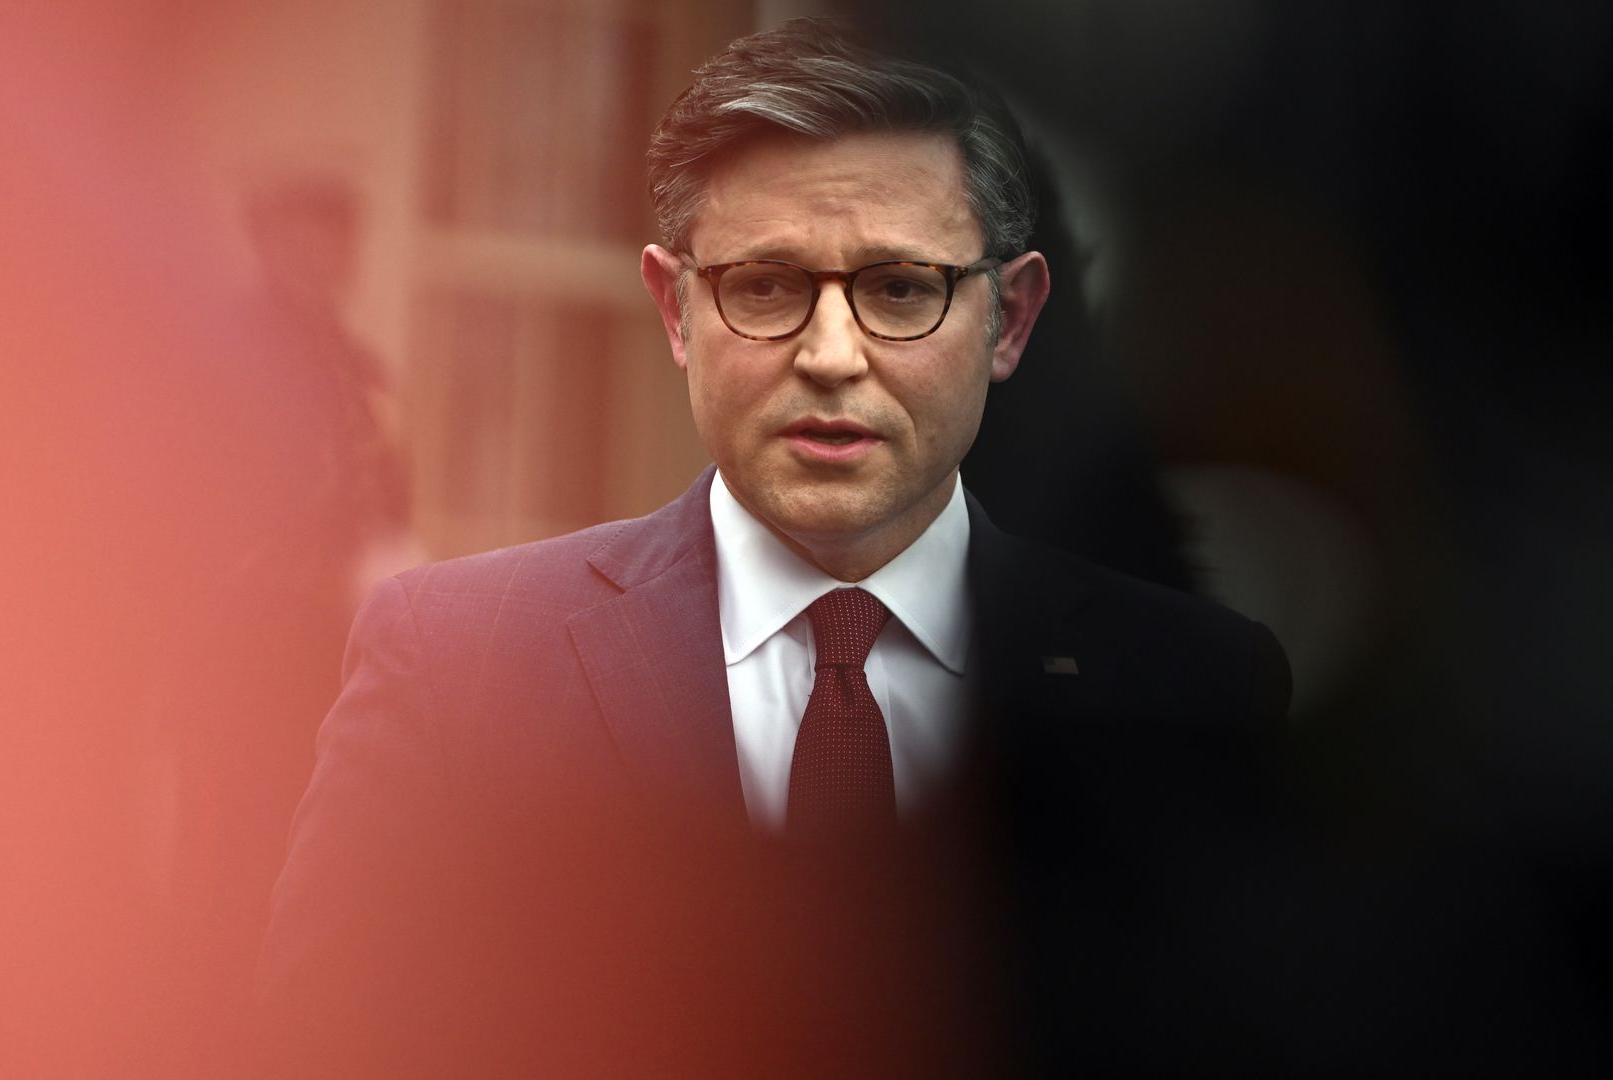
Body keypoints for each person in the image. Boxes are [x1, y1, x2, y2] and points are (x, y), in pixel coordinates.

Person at [261, 19, 1289, 1078]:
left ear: (1011, 319)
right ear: (674, 308)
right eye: (764, 287)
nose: (831, 356)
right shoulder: (453, 663)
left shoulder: (1193, 687)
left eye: (900, 289)